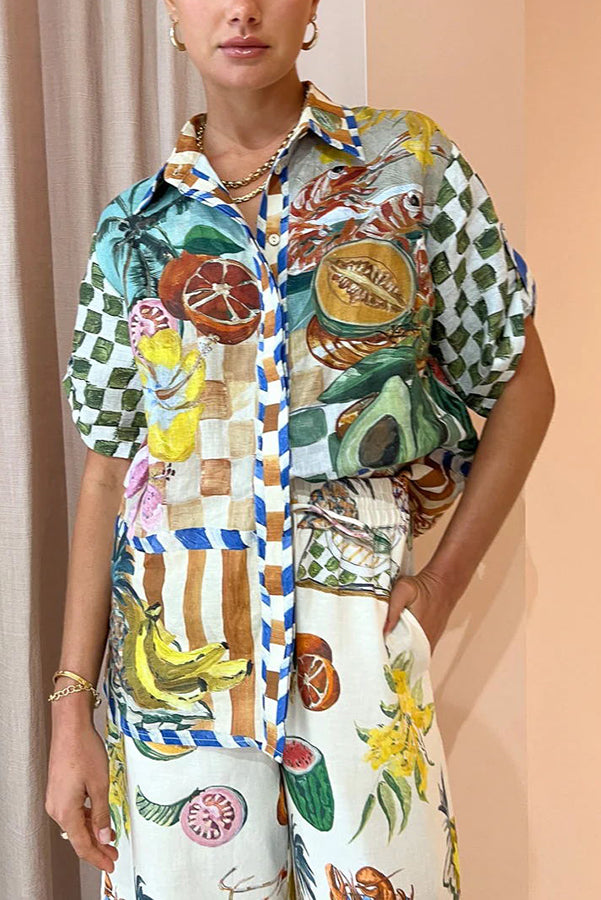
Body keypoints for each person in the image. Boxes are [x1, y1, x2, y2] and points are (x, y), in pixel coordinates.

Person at [45, 1, 555, 898]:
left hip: (353, 648)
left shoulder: (408, 165)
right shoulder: (134, 229)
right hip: (178, 670)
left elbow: (520, 383)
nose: (241, 10)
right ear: (173, 12)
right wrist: (68, 713)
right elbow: (108, 471)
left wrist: (439, 589)